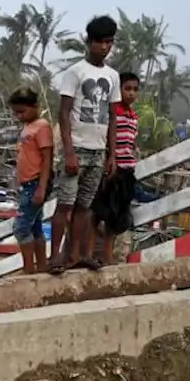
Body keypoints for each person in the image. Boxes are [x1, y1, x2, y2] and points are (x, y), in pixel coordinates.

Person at [50, 16, 121, 274]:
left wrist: (111, 154)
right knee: (65, 204)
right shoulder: (75, 72)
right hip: (77, 148)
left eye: (109, 42)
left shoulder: (112, 77)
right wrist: (68, 150)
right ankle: (55, 256)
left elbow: (113, 116)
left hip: (98, 150)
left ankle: (77, 255)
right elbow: (64, 112)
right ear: (89, 42)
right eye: (100, 42)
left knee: (85, 207)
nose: (104, 47)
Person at [90, 71, 141, 265]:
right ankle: (91, 254)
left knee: (114, 217)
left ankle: (108, 257)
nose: (131, 93)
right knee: (97, 213)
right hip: (111, 168)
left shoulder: (133, 116)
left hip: (127, 170)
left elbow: (131, 142)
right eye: (127, 88)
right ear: (118, 90)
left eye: (135, 90)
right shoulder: (112, 113)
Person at [10, 87, 54, 275]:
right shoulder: (28, 127)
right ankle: (41, 265)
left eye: (22, 111)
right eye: (16, 112)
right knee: (35, 227)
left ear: (35, 107)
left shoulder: (42, 127)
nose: (19, 116)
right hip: (27, 184)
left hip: (35, 183)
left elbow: (47, 159)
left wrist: (42, 188)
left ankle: (29, 269)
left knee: (20, 229)